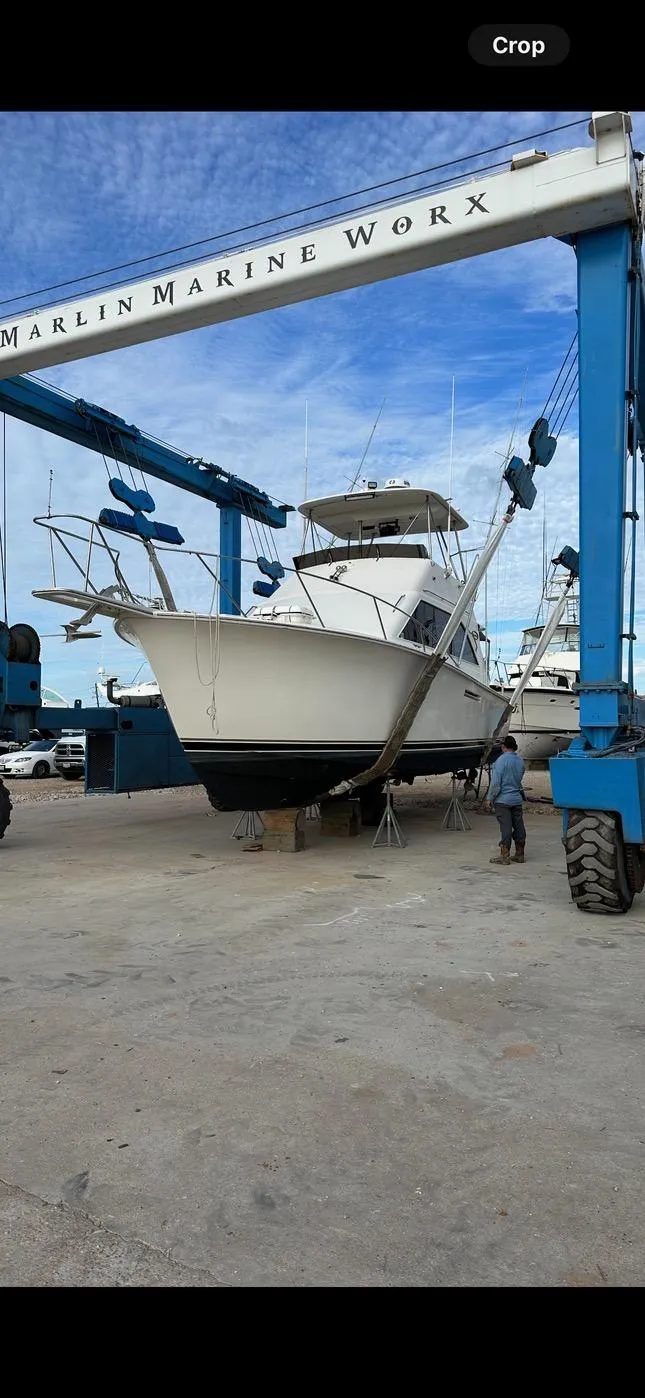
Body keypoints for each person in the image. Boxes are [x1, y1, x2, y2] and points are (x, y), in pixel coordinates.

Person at [484, 734, 526, 865]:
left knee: (506, 827)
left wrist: (489, 797)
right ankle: (520, 854)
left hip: (503, 800)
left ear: (503, 747)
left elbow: (496, 783)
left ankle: (504, 855)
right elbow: (519, 780)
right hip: (516, 799)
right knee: (519, 826)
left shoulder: (500, 761)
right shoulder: (520, 761)